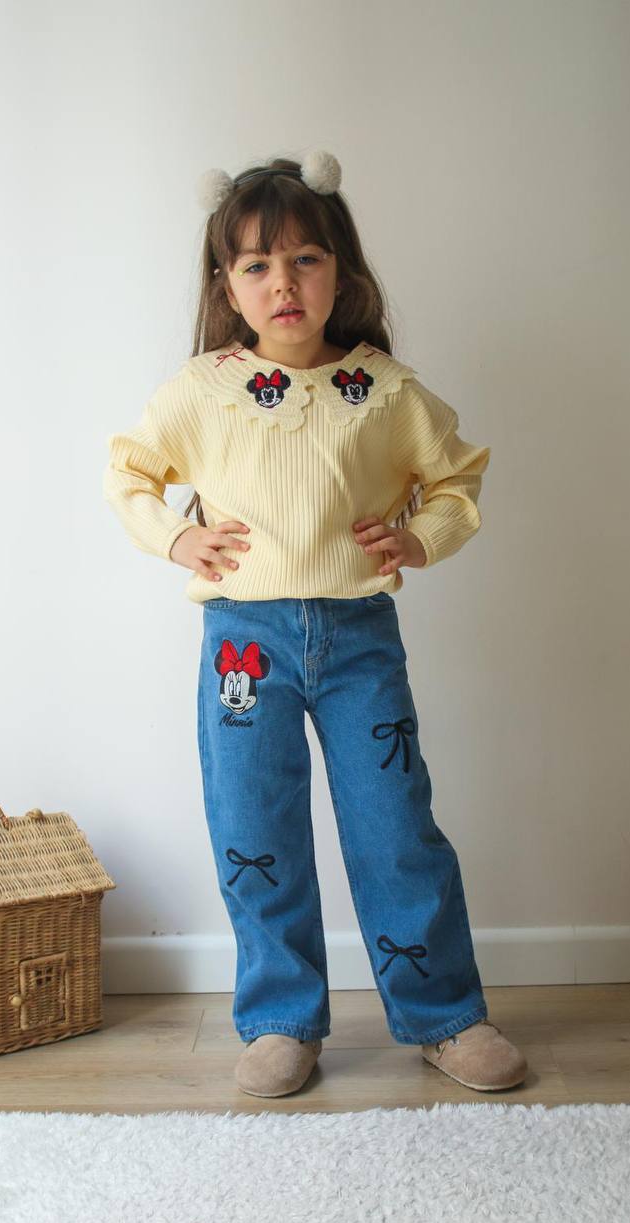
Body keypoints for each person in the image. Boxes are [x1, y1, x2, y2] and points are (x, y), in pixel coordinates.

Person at [103, 150, 527, 1098]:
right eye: (256, 264)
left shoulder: (387, 390)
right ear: (227, 285)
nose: (283, 283)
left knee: (395, 828)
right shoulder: (202, 389)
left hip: (358, 637)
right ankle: (281, 1019)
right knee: (255, 826)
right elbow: (127, 473)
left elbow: (458, 477)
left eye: (305, 259)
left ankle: (444, 1014)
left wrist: (419, 539)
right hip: (243, 643)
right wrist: (177, 538)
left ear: (343, 271)